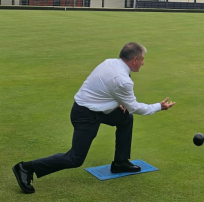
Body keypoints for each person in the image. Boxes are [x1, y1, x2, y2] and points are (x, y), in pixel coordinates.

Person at [12, 42, 175, 193]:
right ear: (134, 59)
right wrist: (159, 106)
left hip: (96, 109)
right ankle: (26, 168)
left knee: (125, 118)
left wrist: (117, 102)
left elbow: (104, 89)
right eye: (142, 60)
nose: (143, 63)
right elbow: (135, 107)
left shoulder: (110, 62)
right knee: (75, 158)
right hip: (85, 115)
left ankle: (120, 162)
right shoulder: (122, 79)